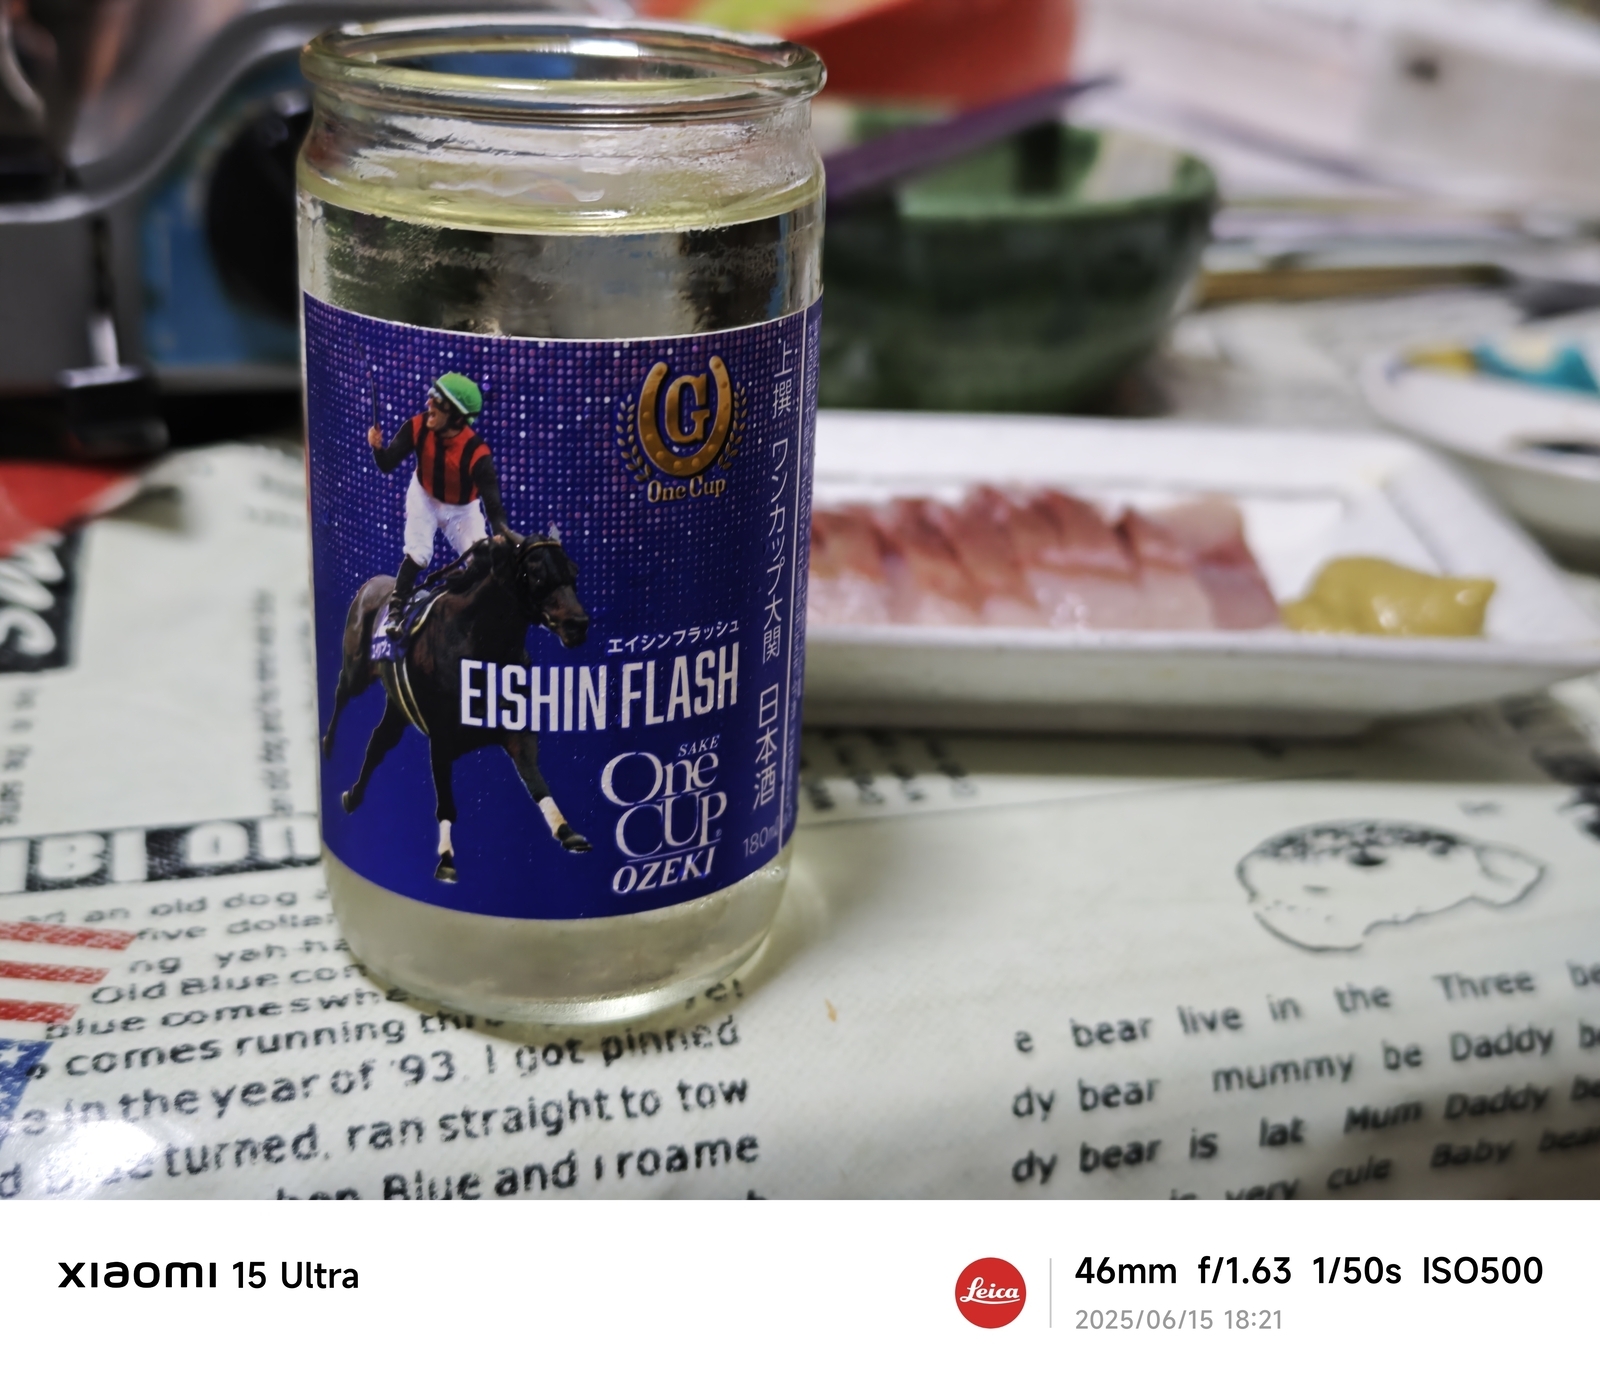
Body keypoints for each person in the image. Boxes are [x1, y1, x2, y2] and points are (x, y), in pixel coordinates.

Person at [368, 372, 510, 637]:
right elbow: (387, 464)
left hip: (462, 510)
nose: (428, 403)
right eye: (431, 395)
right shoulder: (416, 426)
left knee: (482, 559)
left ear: (456, 415)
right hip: (424, 497)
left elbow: (493, 504)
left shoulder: (477, 453)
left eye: (437, 399)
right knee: (419, 553)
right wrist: (377, 448)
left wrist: (501, 533)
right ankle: (395, 613)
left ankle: (469, 612)